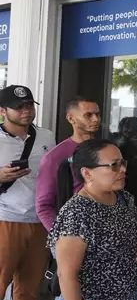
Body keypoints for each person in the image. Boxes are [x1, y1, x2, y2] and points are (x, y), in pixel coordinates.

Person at [48, 139, 137, 300]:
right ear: (87, 173)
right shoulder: (77, 213)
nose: (122, 170)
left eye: (123, 163)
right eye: (114, 165)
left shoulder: (124, 199)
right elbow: (66, 274)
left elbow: (131, 238)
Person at [0, 85, 56, 300]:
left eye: (29, 106)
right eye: (19, 106)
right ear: (2, 111)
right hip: (5, 219)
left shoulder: (46, 136)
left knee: (30, 286)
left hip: (39, 221)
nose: (26, 111)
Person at [36, 96, 101, 231]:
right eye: (88, 115)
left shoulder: (107, 150)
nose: (95, 119)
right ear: (71, 118)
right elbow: (43, 206)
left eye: (97, 114)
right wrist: (60, 238)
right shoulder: (54, 157)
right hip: (74, 230)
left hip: (107, 229)